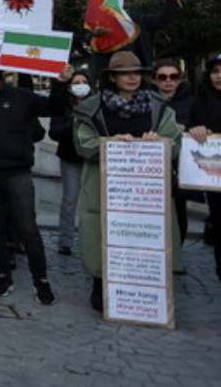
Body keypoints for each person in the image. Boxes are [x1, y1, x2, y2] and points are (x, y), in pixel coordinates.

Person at [0, 54, 71, 305]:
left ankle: (41, 281)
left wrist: (60, 83)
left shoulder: (21, 97)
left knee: (28, 229)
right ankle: (3, 276)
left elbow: (55, 107)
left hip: (17, 174)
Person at [73, 51, 182, 313]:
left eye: (137, 73)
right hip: (104, 185)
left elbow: (175, 141)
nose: (132, 78)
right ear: (113, 77)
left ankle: (144, 288)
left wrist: (159, 142)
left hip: (146, 189)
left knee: (144, 233)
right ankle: (101, 283)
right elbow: (83, 144)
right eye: (125, 74)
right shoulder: (92, 108)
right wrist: (109, 144)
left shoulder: (158, 107)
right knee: (103, 233)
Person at [87, 0, 180, 78]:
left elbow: (161, 21)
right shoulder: (98, 23)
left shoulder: (136, 20)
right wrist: (95, 34)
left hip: (139, 74)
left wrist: (171, 1)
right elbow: (89, 41)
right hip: (108, 76)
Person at [48, 70, 93, 256]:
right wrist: (73, 123)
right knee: (70, 199)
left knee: (92, 201)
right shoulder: (62, 106)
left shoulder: (96, 104)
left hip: (92, 159)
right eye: (76, 82)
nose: (81, 85)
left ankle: (92, 240)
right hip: (70, 158)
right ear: (69, 87)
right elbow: (54, 132)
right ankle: (65, 241)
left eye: (84, 82)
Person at [153, 57, 194, 243]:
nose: (168, 81)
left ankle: (177, 250)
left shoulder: (192, 102)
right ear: (155, 80)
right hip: (151, 164)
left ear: (180, 79)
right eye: (162, 77)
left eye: (173, 76)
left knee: (178, 210)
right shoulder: (145, 100)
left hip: (180, 164)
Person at [188, 51, 221, 281]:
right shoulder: (199, 103)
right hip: (215, 178)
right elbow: (190, 132)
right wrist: (197, 131)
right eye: (215, 71)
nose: (219, 76)